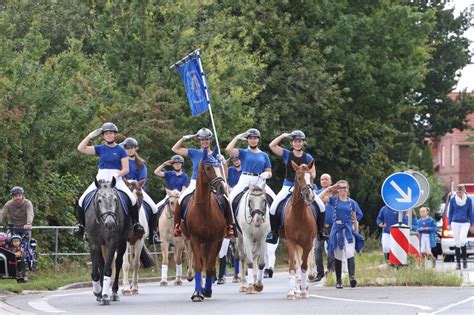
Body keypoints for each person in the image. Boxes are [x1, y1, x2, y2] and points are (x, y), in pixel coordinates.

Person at [75, 122, 144, 237]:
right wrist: (90, 136)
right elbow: (80, 148)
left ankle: (136, 224)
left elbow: (126, 169)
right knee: (82, 199)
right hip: (100, 180)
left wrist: (117, 175)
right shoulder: (100, 148)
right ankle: (81, 226)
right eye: (106, 133)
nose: (109, 135)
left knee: (132, 199)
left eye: (111, 133)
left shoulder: (121, 150)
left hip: (116, 179)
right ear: (103, 136)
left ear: (114, 135)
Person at [172, 128, 234, 237]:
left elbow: (224, 174)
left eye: (207, 139)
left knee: (226, 199)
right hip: (195, 182)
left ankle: (229, 227)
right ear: (199, 141)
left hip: (212, 183)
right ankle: (177, 227)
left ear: (210, 140)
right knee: (180, 199)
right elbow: (175, 149)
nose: (205, 142)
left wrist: (224, 162)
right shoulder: (194, 152)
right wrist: (184, 138)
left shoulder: (216, 154)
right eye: (202, 140)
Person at [267, 130, 326, 244]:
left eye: (299, 141)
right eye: (295, 141)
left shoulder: (308, 157)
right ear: (291, 143)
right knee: (274, 207)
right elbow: (272, 145)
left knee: (321, 205)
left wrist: (307, 180)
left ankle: (321, 231)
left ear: (303, 143)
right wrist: (282, 136)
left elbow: (313, 173)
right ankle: (273, 233)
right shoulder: (286, 154)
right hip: (288, 186)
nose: (297, 143)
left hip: (305, 186)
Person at [323, 180, 364, 289]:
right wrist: (328, 189)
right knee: (338, 255)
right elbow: (319, 199)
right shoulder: (334, 200)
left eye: (344, 187)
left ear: (348, 189)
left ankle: (352, 277)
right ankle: (339, 280)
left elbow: (355, 219)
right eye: (340, 188)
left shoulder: (352, 203)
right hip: (337, 230)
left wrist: (356, 231)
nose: (343, 190)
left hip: (349, 230)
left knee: (350, 253)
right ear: (337, 190)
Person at [226, 128, 276, 212]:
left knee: (274, 201)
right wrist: (236, 138)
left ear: (258, 139)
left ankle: (275, 224)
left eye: (255, 138)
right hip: (245, 180)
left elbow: (269, 171)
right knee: (229, 200)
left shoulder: (264, 155)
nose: (253, 140)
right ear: (247, 140)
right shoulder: (243, 152)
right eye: (250, 138)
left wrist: (267, 174)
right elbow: (229, 149)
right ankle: (230, 223)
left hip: (260, 181)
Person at [121, 137, 158, 243]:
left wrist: (135, 185)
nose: (130, 150)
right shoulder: (121, 161)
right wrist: (125, 183)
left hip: (137, 188)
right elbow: (119, 175)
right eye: (127, 148)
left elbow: (143, 179)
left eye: (132, 148)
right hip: (123, 186)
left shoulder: (141, 163)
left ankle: (153, 234)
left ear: (135, 148)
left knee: (154, 208)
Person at [217, 156, 242, 284]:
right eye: (234, 160)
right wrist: (223, 162)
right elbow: (223, 173)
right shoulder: (231, 169)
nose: (236, 162)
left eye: (238, 159)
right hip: (230, 191)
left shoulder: (246, 169)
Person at [154, 154, 190, 243]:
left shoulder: (185, 176)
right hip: (169, 196)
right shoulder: (169, 174)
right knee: (156, 208)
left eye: (179, 163)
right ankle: (155, 231)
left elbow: (184, 189)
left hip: (179, 196)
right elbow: (156, 172)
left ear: (181, 164)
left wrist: (177, 195)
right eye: (175, 163)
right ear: (172, 165)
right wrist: (164, 164)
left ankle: (188, 230)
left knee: (188, 211)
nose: (177, 165)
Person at [313, 173, 334, 281]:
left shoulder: (335, 193)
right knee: (317, 249)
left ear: (330, 181)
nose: (324, 181)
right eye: (322, 179)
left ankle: (330, 271)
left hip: (332, 225)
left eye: (326, 179)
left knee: (331, 249)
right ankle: (319, 272)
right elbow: (316, 200)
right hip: (320, 226)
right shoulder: (316, 193)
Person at [447, 184, 473, 269]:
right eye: (457, 192)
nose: (459, 193)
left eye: (460, 192)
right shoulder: (453, 200)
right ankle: (458, 263)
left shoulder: (468, 200)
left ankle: (464, 261)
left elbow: (470, 213)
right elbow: (450, 212)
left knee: (462, 241)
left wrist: (472, 224)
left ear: (464, 191)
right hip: (455, 222)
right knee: (457, 242)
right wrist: (448, 223)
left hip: (465, 222)